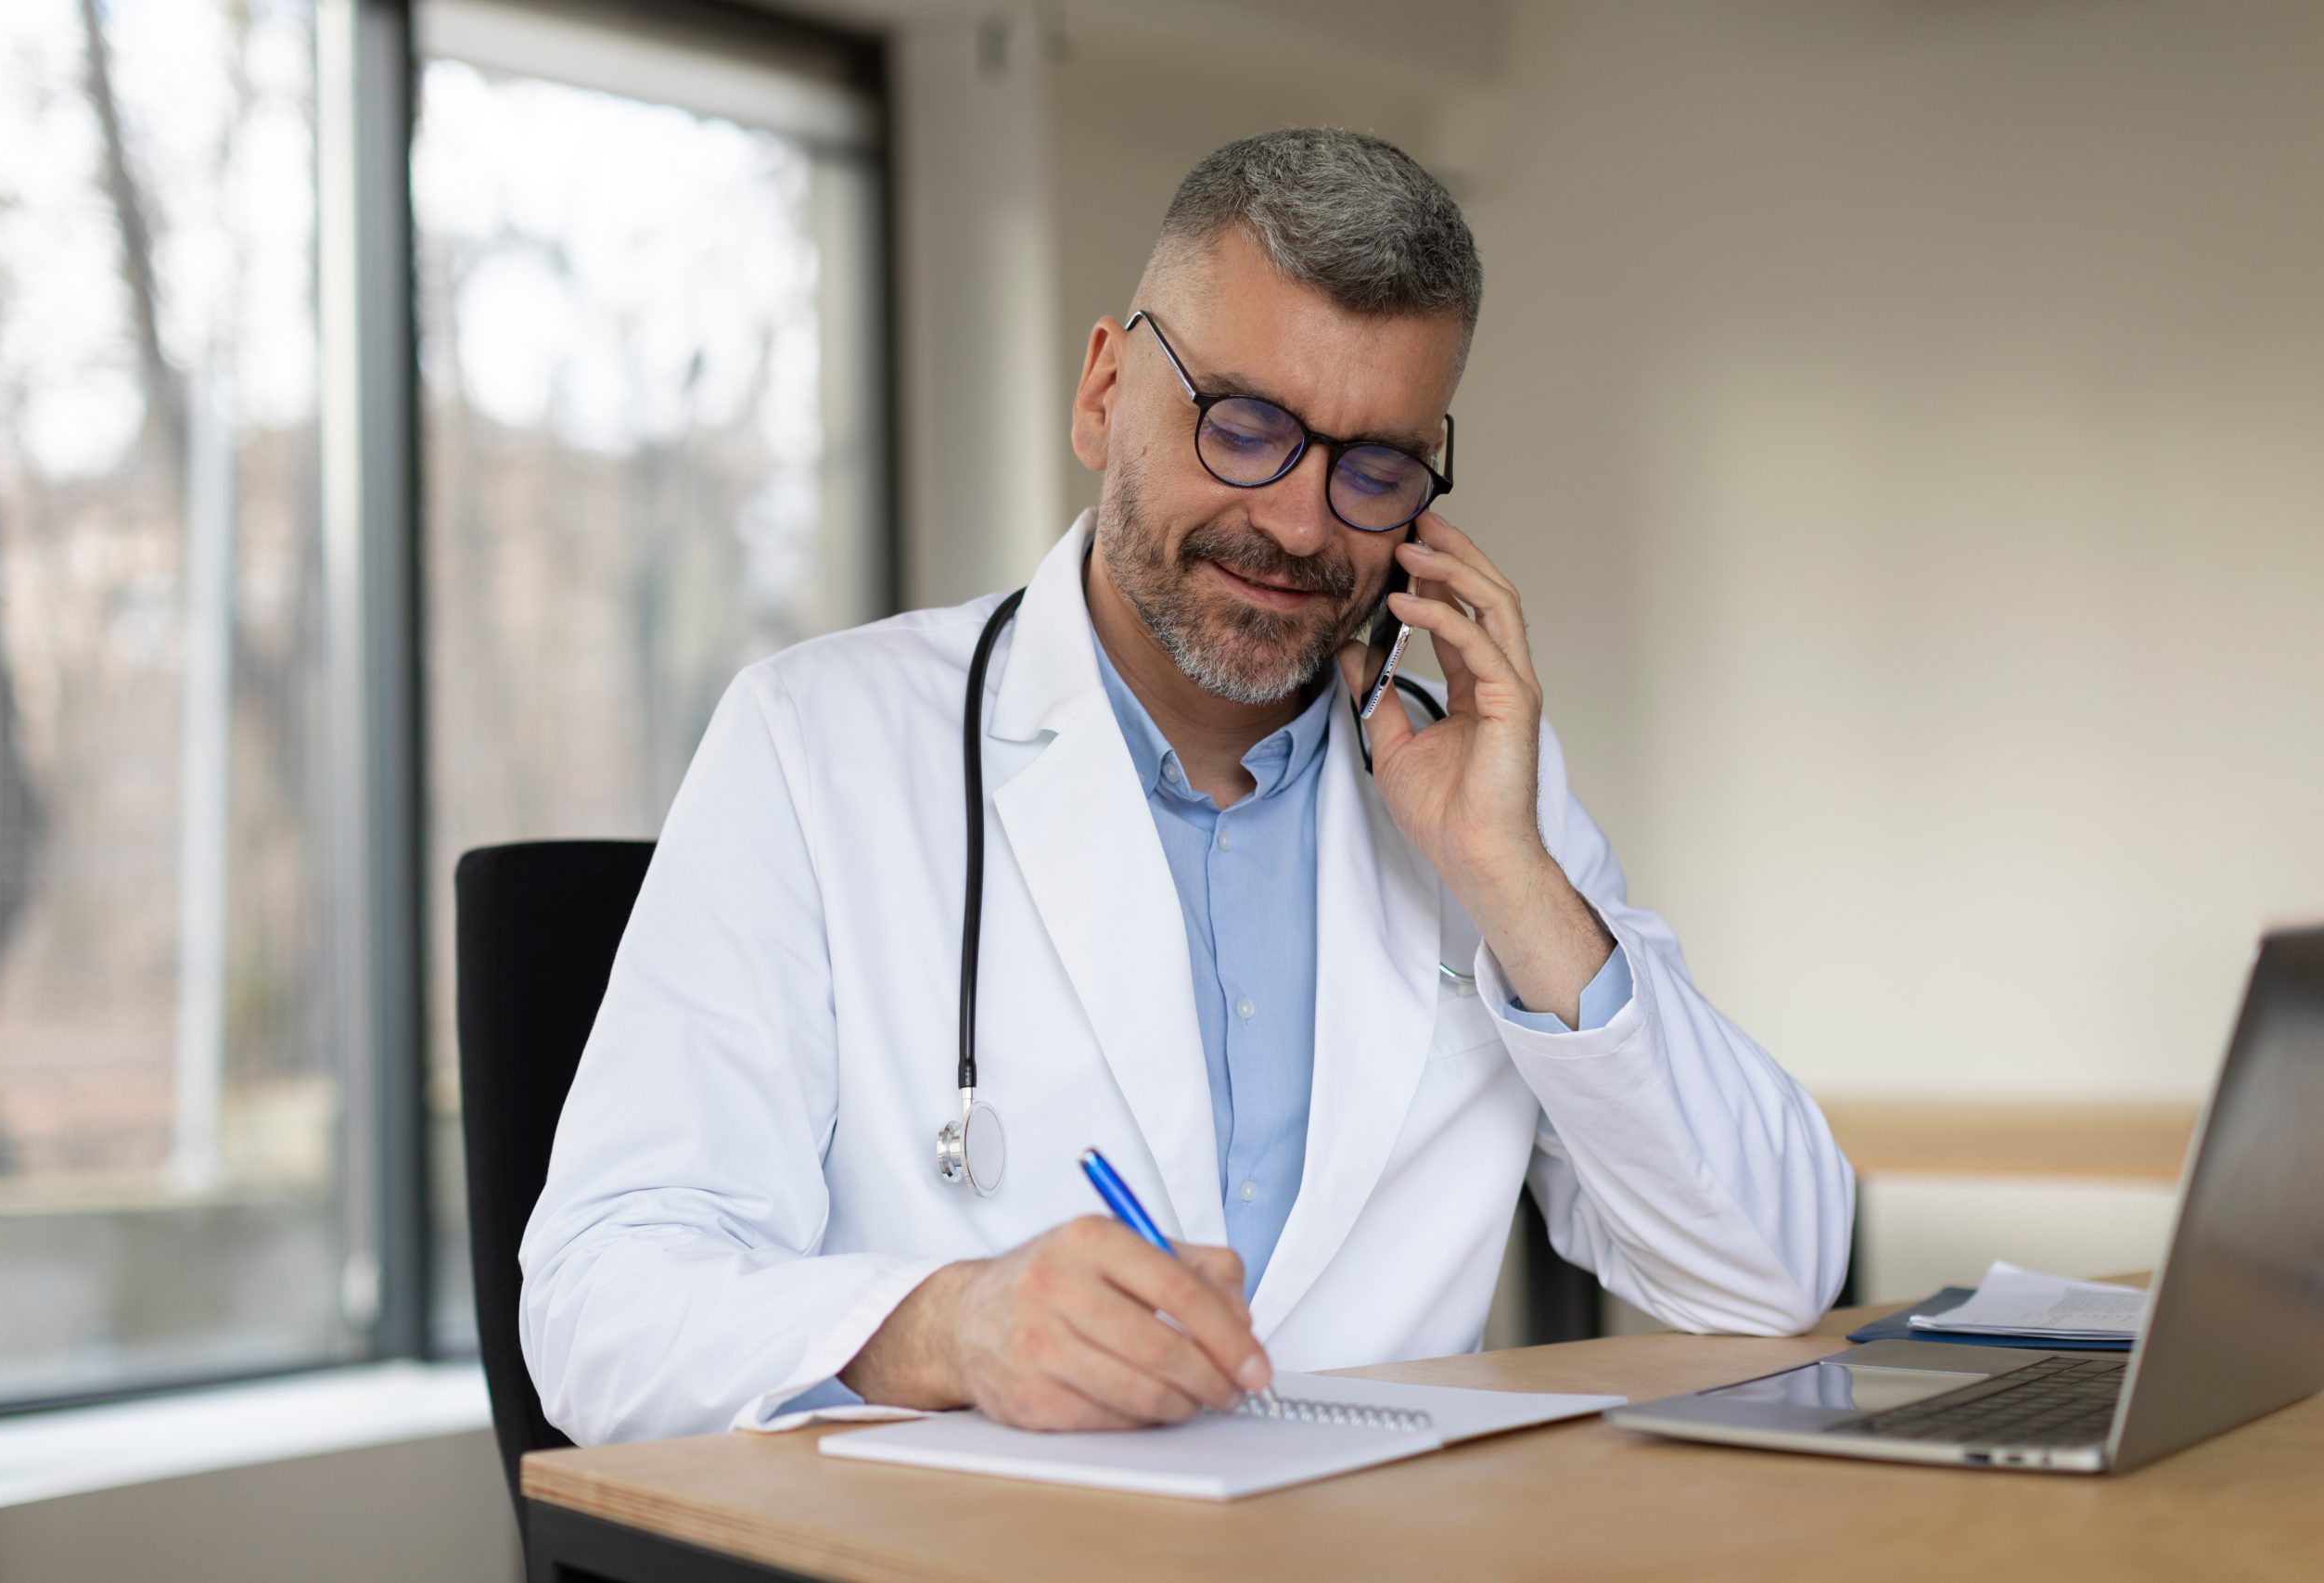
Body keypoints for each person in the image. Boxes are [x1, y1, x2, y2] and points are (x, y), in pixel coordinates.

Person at [520, 129, 1853, 1446]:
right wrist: (949, 1328)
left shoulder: (1477, 789)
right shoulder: (819, 742)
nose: (1297, 522)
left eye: (1374, 466)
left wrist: (1510, 881)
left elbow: (1770, 1275)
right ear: (1104, 394)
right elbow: (598, 1305)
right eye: (1247, 425)